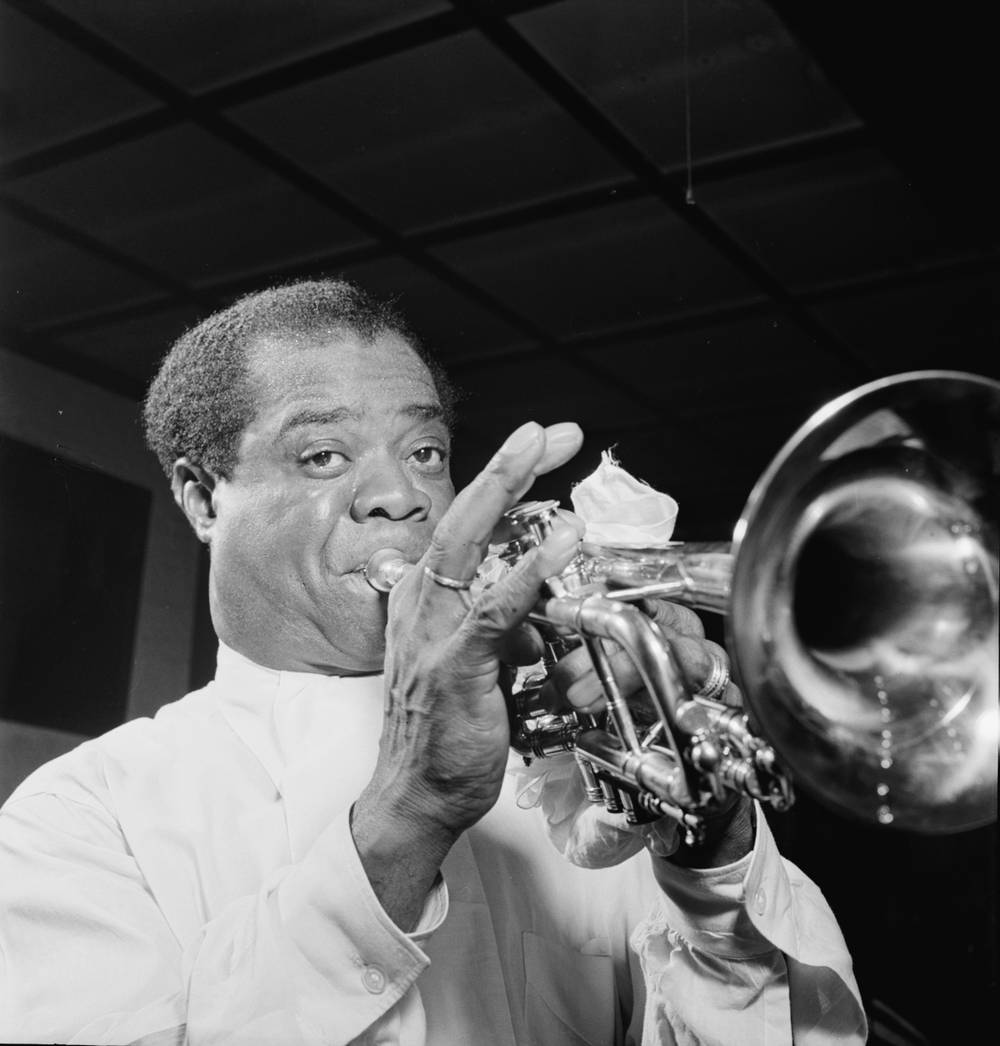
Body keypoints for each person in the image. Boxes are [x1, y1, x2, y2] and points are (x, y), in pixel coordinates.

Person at [0, 280, 866, 1045]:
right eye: (323, 456)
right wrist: (411, 809)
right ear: (201, 497)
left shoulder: (572, 773)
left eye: (425, 453)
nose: (403, 496)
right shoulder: (83, 818)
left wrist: (710, 844)